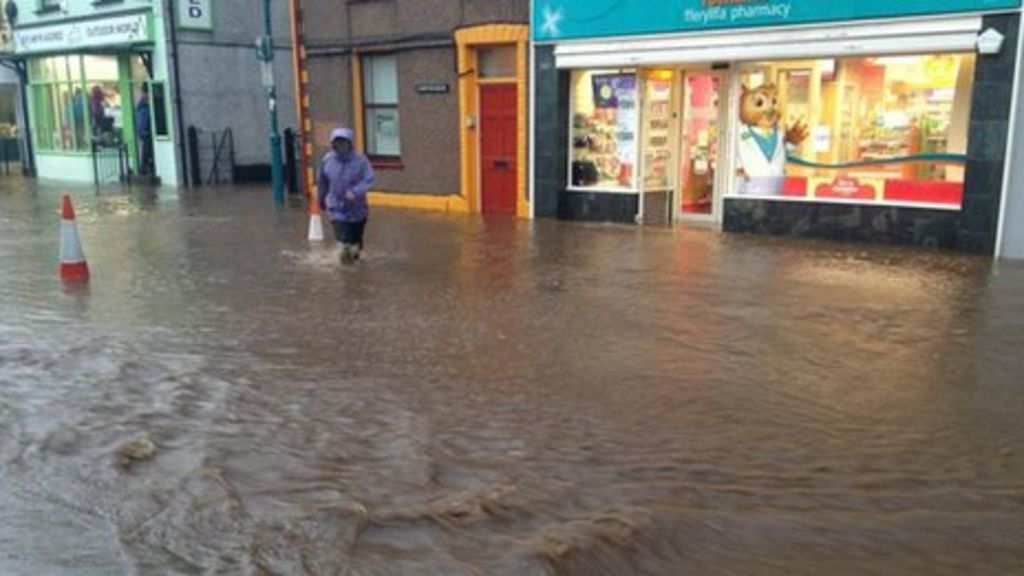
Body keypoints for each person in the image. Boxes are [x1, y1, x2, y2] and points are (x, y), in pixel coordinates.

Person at [317, 127, 374, 264]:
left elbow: (369, 179)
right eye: (336, 143)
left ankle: (354, 264)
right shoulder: (328, 160)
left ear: (350, 144)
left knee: (356, 245)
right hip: (336, 207)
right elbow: (322, 181)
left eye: (343, 143)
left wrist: (355, 191)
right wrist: (321, 199)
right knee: (344, 241)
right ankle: (344, 269)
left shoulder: (360, 161)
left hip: (357, 208)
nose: (340, 146)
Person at [135, 84, 153, 176]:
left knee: (146, 151)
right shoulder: (144, 105)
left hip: (145, 132)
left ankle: (145, 167)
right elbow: (143, 120)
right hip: (146, 132)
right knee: (146, 151)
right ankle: (144, 168)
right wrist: (144, 131)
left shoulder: (142, 104)